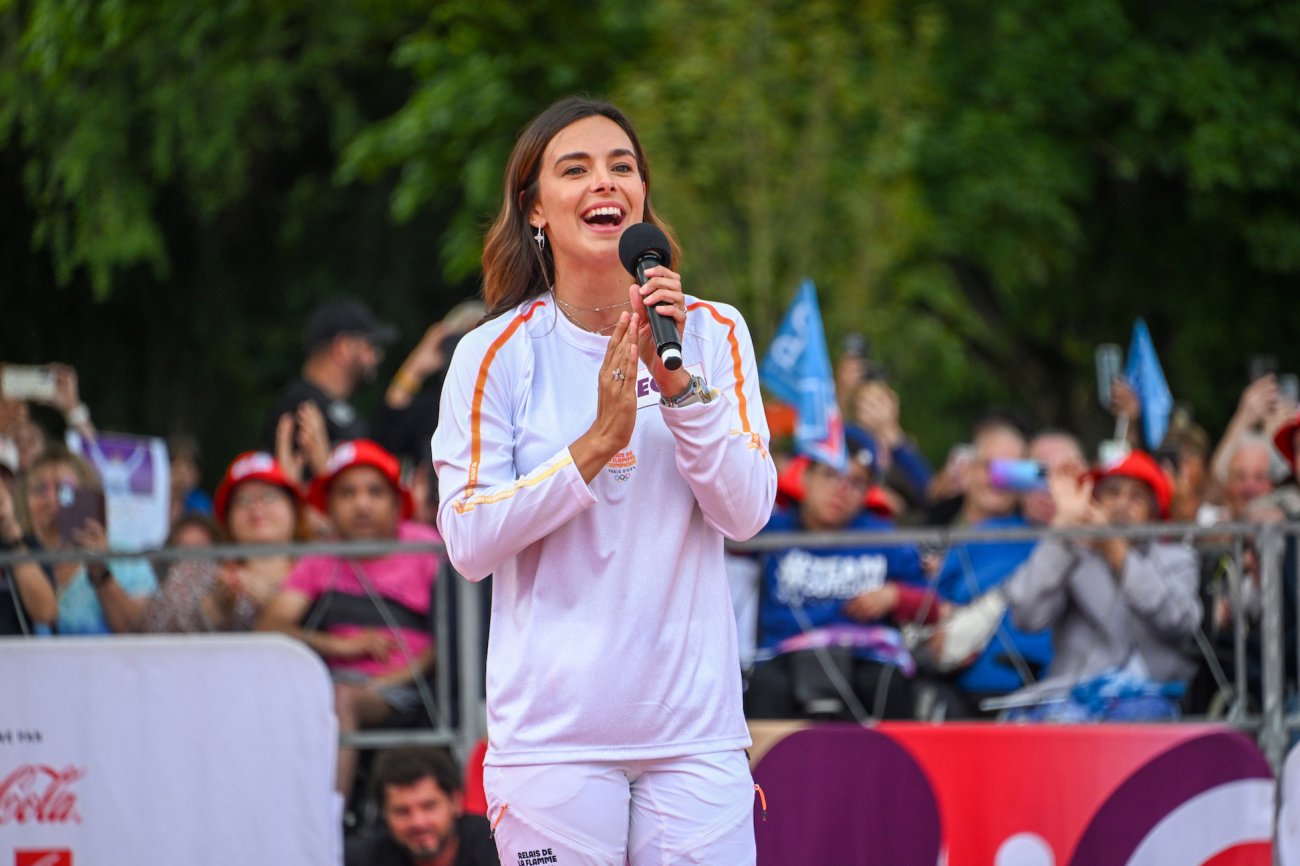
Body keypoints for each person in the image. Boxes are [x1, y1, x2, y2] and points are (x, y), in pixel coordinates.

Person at [431, 97, 776, 865]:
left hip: (695, 738)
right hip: (553, 744)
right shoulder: (493, 354)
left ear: (644, 196)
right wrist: (592, 449)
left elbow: (747, 511)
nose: (605, 183)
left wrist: (682, 394)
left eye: (623, 167)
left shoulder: (713, 332)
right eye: (576, 169)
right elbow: (468, 541)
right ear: (534, 209)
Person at [259, 439, 442, 798]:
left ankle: (330, 817)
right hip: (324, 687)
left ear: (397, 502)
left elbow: (448, 641)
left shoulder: (429, 548)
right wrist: (340, 645)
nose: (361, 504)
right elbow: (270, 625)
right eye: (347, 493)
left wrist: (387, 680)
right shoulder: (319, 557)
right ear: (328, 506)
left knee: (341, 698)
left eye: (375, 492)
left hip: (408, 690)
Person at [1000, 450, 1203, 720]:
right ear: (1096, 501)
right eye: (1113, 493)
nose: (1121, 504)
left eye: (1136, 497)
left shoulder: (1176, 557)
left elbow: (1179, 622)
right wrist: (1062, 530)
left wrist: (1118, 553)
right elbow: (1026, 616)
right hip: (1071, 698)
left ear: (1154, 511)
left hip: (1149, 697)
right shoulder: (1073, 553)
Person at [745, 434, 930, 721]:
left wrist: (895, 596)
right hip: (783, 656)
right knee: (764, 687)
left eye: (856, 482)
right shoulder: (768, 529)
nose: (842, 490)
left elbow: (934, 604)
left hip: (866, 657)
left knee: (888, 685)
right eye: (830, 475)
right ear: (805, 476)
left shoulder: (885, 538)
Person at [15, 446, 157, 634]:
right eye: (39, 490)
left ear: (87, 497)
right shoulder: (15, 559)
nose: (51, 501)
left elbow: (142, 634)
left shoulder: (125, 558)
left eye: (64, 490)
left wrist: (101, 572)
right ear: (23, 502)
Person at [262, 298, 398, 449]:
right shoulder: (297, 411)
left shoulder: (337, 410)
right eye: (370, 346)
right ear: (343, 347)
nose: (377, 356)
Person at [372, 300, 486, 467]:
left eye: (480, 341)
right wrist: (414, 369)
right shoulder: (434, 409)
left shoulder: (513, 400)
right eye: (459, 341)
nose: (470, 351)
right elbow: (380, 445)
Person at [345, 747, 499, 866]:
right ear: (384, 813)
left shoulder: (498, 847)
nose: (418, 822)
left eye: (429, 806)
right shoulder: (362, 859)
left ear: (456, 802)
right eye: (402, 811)